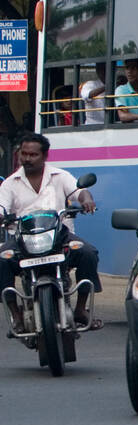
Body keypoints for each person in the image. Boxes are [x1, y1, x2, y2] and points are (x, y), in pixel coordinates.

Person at [0, 132, 101, 329]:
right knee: (2, 260)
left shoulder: (60, 176)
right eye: (24, 154)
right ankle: (15, 314)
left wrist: (86, 199)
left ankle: (81, 308)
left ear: (45, 156)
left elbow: (79, 192)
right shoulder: (9, 184)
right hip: (22, 240)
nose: (27, 159)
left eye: (33, 155)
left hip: (59, 237)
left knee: (88, 253)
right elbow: (1, 207)